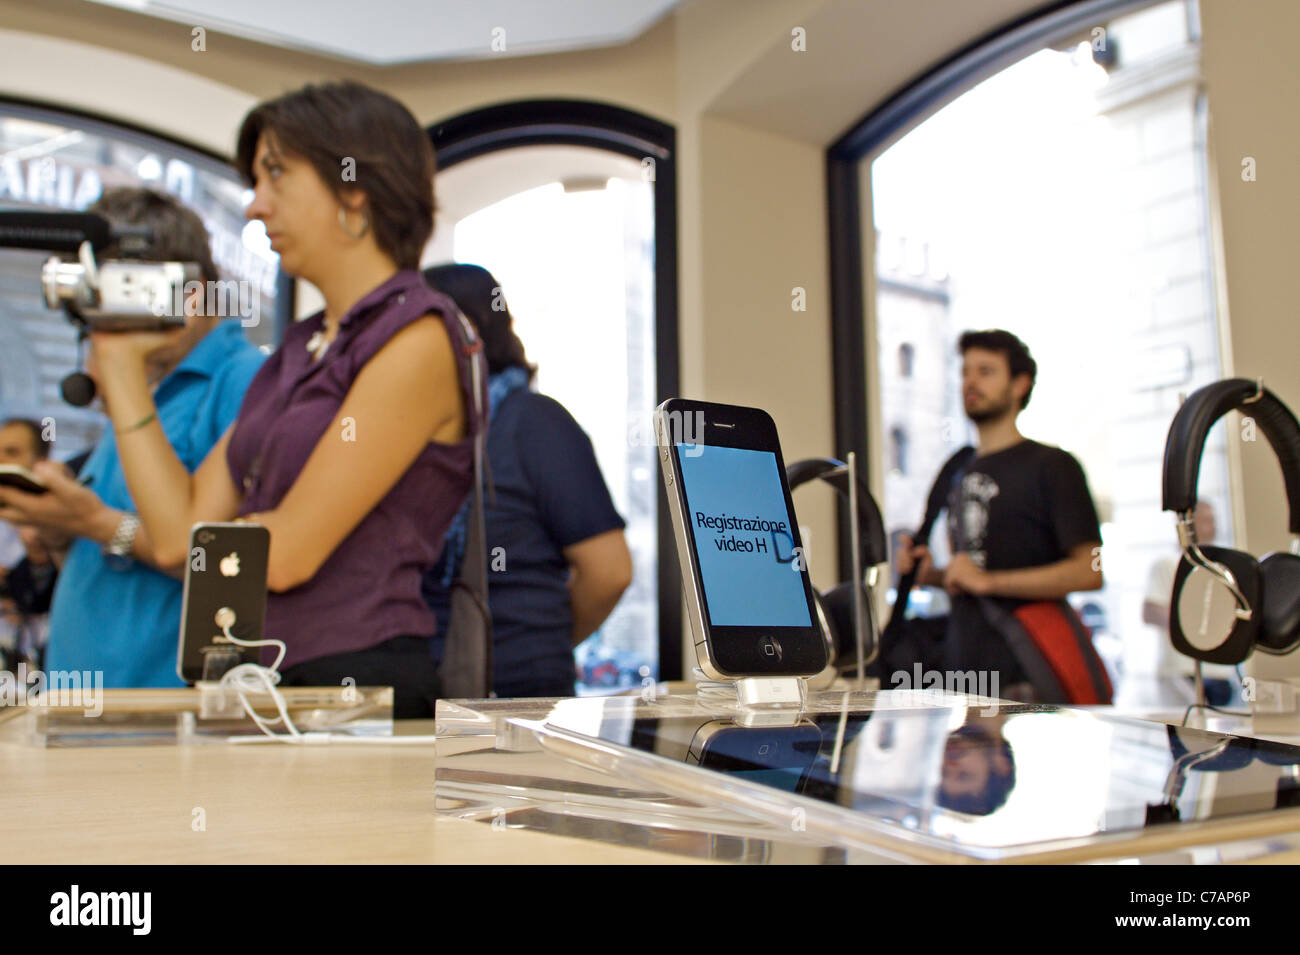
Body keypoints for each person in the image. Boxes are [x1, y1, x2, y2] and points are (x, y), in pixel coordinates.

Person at [41, 82, 480, 717]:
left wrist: (207, 536)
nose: (254, 206)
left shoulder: (418, 337)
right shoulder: (299, 353)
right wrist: (121, 363)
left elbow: (285, 555)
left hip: (355, 687)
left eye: (276, 175)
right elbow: (175, 541)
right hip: (262, 686)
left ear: (354, 191)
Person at [0, 188, 265, 686]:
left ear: (183, 285)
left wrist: (98, 522)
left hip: (158, 699)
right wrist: (62, 531)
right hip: (84, 692)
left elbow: (233, 569)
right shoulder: (145, 385)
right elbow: (112, 547)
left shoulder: (243, 382)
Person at [420, 263, 632, 698]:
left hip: (519, 693)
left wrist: (540, 643)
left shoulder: (534, 423)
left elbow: (609, 572)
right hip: (423, 689)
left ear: (466, 332)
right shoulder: (414, 432)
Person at [896, 329, 1105, 698]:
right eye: (965, 372)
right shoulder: (957, 470)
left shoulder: (1053, 465)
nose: (970, 382)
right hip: (962, 670)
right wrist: (931, 575)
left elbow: (1089, 570)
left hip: (1028, 670)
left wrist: (987, 582)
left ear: (1020, 384)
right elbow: (973, 570)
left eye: (986, 371)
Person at [1143, 500, 1238, 706]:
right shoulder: (1167, 565)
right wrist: (1197, 621)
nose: (1212, 528)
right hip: (1182, 670)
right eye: (1205, 521)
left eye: (1213, 521)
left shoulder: (1223, 569)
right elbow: (1150, 612)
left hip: (1219, 672)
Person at [0, 418, 56, 669]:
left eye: (12, 452)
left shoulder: (59, 518)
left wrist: (36, 558)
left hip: (38, 659)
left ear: (40, 461)